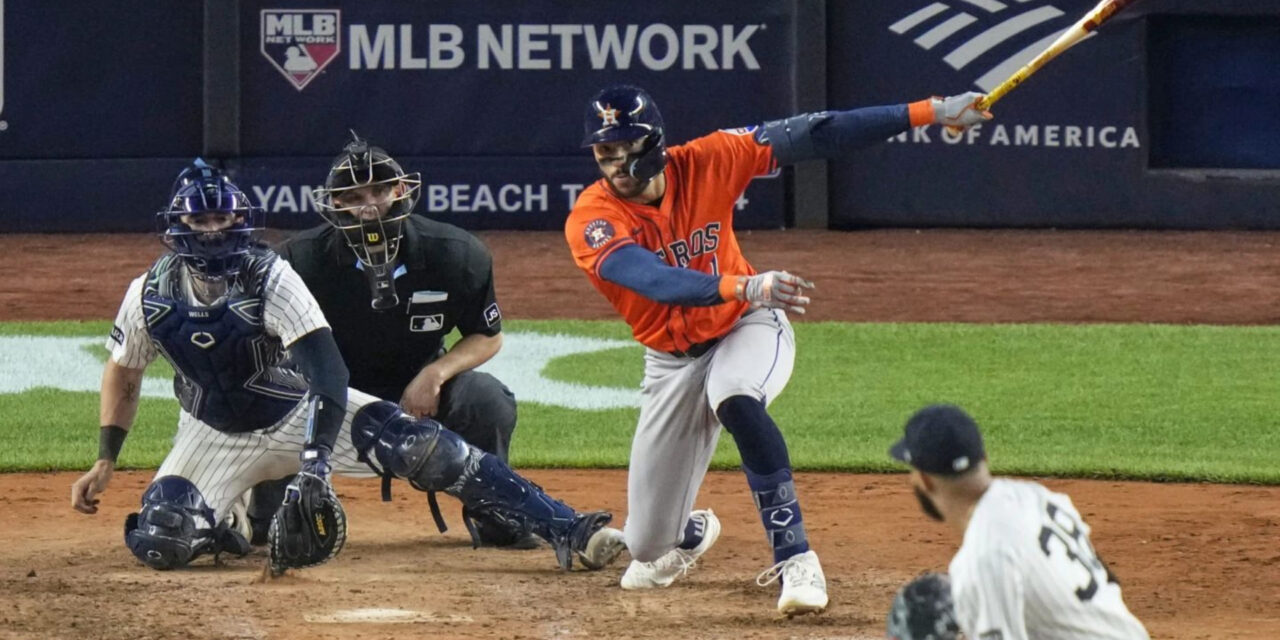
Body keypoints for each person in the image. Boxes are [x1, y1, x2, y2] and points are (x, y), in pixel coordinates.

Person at [69, 159, 626, 574]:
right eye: (202, 219)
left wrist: (313, 464)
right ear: (178, 225)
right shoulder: (148, 294)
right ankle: (227, 525)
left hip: (295, 410)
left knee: (423, 447)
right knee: (162, 540)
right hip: (212, 432)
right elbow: (124, 370)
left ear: (242, 219)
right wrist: (104, 459)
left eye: (224, 217)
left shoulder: (273, 275)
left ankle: (566, 527)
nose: (214, 231)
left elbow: (327, 373)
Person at [564, 83, 992, 616]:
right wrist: (739, 284)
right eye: (606, 151)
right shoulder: (592, 218)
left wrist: (930, 111)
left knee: (736, 397)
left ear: (654, 141)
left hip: (748, 326)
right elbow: (652, 279)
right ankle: (690, 532)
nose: (618, 162)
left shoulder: (711, 158)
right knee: (648, 545)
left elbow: (817, 132)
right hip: (673, 361)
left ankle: (797, 559)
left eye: (627, 146)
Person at [248, 134, 527, 548]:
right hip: (326, 389)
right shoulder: (299, 261)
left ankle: (494, 512)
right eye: (353, 195)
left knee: (486, 398)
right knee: (274, 391)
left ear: (400, 190)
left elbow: (487, 336)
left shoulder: (456, 254)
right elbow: (264, 345)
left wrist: (436, 373)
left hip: (416, 387)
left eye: (379, 190)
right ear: (334, 202)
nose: (368, 205)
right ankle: (271, 516)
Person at [886, 404, 1150, 639]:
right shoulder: (1037, 497)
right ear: (984, 458)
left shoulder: (981, 560)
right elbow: (1108, 580)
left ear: (926, 479)